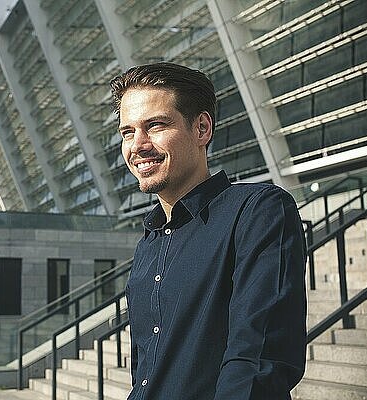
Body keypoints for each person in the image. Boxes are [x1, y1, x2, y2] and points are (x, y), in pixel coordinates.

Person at [110, 62, 307, 400]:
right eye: (128, 131)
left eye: (155, 125)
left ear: (201, 128)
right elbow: (145, 373)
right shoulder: (148, 245)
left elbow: (258, 360)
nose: (137, 145)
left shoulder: (257, 211)